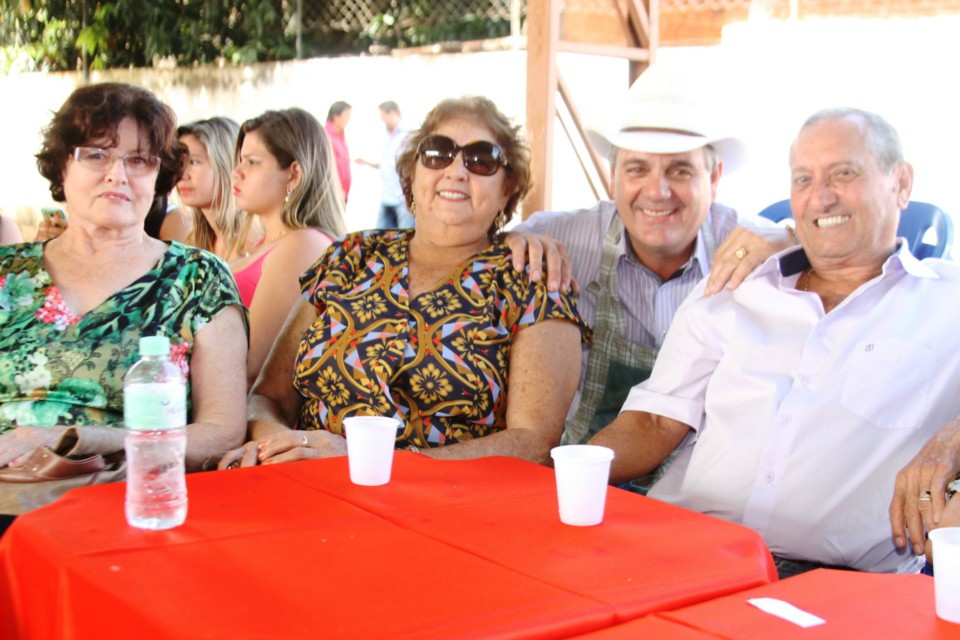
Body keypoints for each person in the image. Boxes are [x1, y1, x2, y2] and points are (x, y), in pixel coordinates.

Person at [589, 106, 960, 576]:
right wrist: (568, 476)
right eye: (803, 180)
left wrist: (954, 440)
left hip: (836, 587)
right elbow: (653, 424)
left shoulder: (948, 301)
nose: (820, 197)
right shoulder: (735, 290)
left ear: (901, 183)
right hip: (682, 550)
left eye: (843, 173)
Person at [219, 96, 591, 469]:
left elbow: (533, 443)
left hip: (445, 506)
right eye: (437, 153)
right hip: (312, 484)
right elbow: (267, 397)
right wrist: (284, 446)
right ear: (413, 173)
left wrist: (373, 462)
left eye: (482, 160)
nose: (457, 170)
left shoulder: (532, 279)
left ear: (507, 188)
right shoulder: (352, 255)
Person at [513, 64, 789, 456]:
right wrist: (510, 242)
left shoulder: (751, 246)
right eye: (637, 169)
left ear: (714, 178)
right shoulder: (560, 239)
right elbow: (485, 245)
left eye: (679, 170)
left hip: (693, 486)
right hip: (577, 473)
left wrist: (792, 234)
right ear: (613, 177)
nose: (657, 192)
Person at [0, 82, 247, 503]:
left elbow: (220, 433)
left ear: (158, 177)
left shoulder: (196, 278)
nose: (117, 174)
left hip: (126, 500)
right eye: (96, 154)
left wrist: (77, 438)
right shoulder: (8, 273)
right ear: (63, 167)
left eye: (138, 160)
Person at [230, 108, 346, 386]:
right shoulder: (267, 241)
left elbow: (251, 365)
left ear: (294, 173)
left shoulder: (303, 244)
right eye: (240, 161)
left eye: (253, 162)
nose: (237, 172)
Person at [177, 117, 263, 261]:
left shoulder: (253, 239)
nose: (182, 174)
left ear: (226, 164)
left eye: (194, 162)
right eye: (180, 163)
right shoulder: (195, 241)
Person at [357, 100, 414, 229]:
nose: (383, 121)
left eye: (384, 117)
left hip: (402, 198)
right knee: (382, 238)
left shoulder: (407, 135)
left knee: (404, 238)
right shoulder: (387, 136)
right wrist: (367, 163)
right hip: (387, 196)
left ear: (393, 113)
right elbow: (387, 164)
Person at [325, 101, 352, 202]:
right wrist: (337, 188)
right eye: (346, 116)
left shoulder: (340, 135)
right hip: (332, 194)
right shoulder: (326, 136)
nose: (348, 120)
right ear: (336, 116)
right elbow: (326, 167)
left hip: (342, 194)